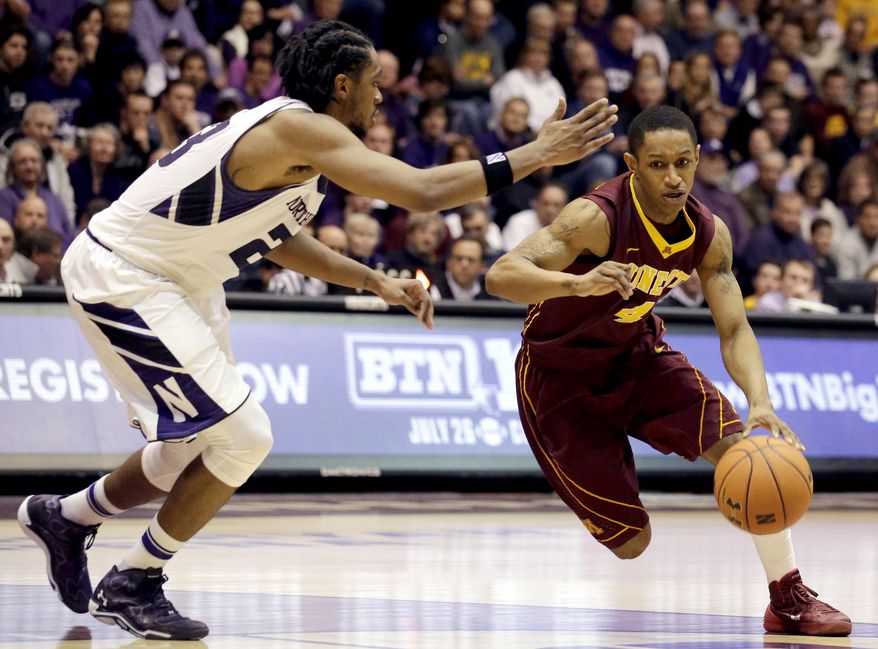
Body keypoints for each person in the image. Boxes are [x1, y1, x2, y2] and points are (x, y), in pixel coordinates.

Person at [17, 19, 618, 641]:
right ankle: (135, 579)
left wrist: (375, 281)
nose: (381, 96)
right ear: (340, 85)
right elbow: (421, 189)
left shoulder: (300, 141)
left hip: (180, 280)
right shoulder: (299, 127)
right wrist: (536, 154)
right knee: (244, 438)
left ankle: (65, 519)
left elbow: (277, 241)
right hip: (125, 273)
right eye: (373, 83)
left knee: (192, 450)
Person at [485, 105, 851, 637]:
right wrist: (578, 284)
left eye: (683, 162)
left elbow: (734, 329)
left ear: (699, 158)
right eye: (658, 165)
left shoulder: (708, 233)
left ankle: (787, 597)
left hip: (637, 357)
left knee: (746, 449)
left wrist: (762, 402)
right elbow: (502, 274)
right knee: (633, 543)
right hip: (558, 378)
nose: (674, 177)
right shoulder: (596, 218)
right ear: (633, 164)